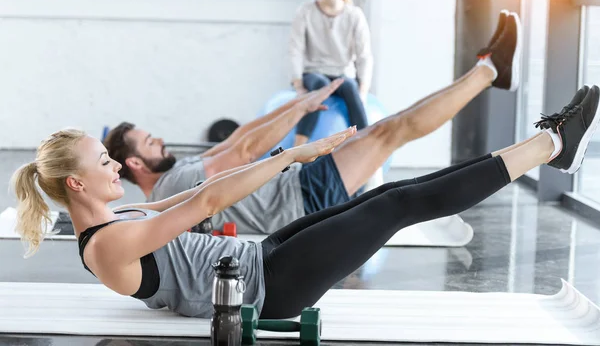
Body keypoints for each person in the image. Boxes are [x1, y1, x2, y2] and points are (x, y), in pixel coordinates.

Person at [12, 84, 600, 320]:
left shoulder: (118, 219)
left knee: (392, 194)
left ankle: (549, 142)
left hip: (263, 258)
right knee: (397, 208)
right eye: (106, 162)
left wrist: (285, 155)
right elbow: (208, 199)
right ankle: (551, 146)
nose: (117, 167)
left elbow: (195, 193)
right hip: (272, 289)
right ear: (77, 185)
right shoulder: (109, 247)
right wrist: (291, 158)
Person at [104, 11, 523, 235]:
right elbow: (245, 151)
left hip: (300, 186)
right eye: (148, 142)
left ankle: (486, 67)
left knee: (390, 127)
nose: (159, 139)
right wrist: (300, 109)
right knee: (390, 132)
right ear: (135, 164)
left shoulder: (176, 174)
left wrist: (300, 103)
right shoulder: (172, 187)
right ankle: (489, 72)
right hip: (301, 198)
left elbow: (237, 137)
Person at [289, 0, 373, 146]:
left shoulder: (354, 15)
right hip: (314, 74)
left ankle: (367, 148)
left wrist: (363, 90)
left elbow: (364, 56)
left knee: (350, 87)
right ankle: (297, 151)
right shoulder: (305, 12)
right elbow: (295, 49)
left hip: (343, 75)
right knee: (319, 87)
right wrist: (298, 84)